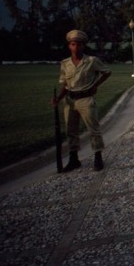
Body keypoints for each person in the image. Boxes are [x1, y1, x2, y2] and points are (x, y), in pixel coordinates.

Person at [51, 30, 112, 172]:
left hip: (86, 99)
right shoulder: (65, 64)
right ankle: (74, 160)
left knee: (93, 129)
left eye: (79, 45)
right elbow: (64, 84)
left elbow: (107, 72)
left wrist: (95, 85)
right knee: (71, 131)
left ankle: (98, 157)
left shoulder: (91, 61)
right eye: (73, 44)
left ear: (84, 46)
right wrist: (58, 98)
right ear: (69, 46)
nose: (76, 47)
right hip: (70, 101)